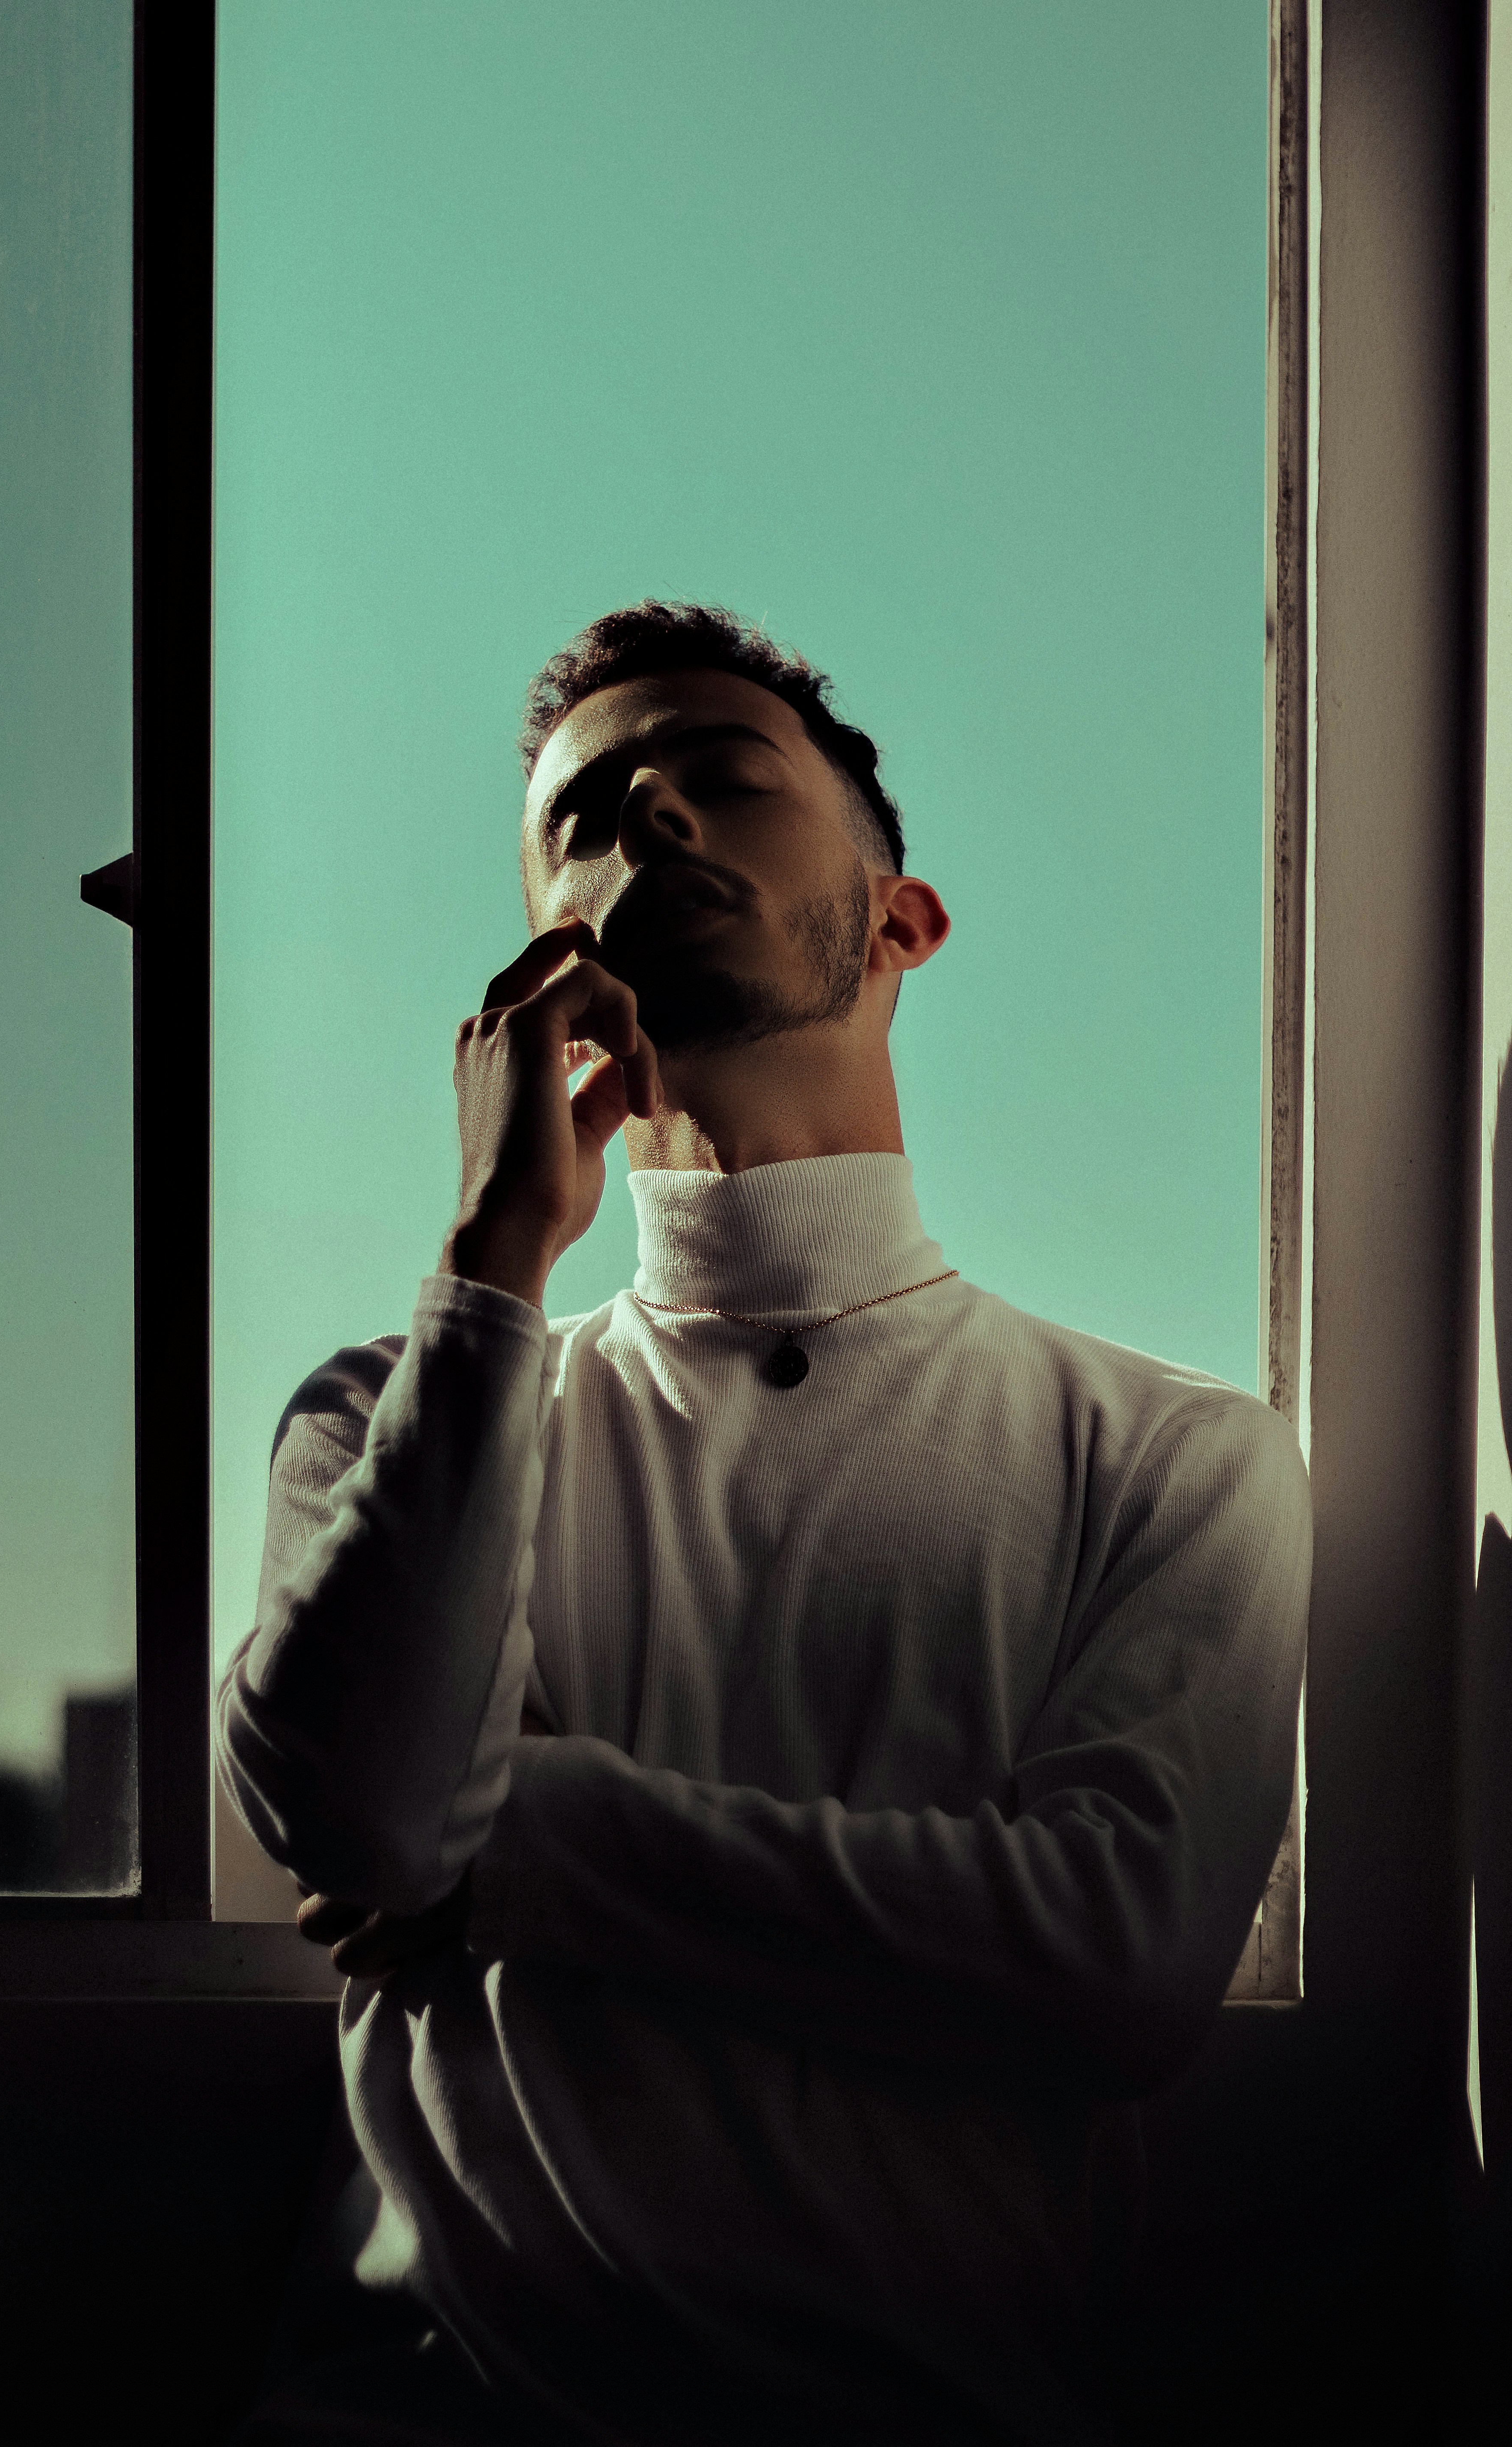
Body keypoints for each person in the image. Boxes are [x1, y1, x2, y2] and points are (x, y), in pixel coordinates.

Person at [217, 601, 1313, 2446]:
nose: (651, 814)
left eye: (724, 776)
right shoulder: (389, 1411)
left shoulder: (1176, 1456)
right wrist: (494, 1250)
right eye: (586, 818)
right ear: (546, 956)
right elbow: (378, 1818)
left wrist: (516, 1837)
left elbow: (1116, 1969)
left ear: (903, 921)